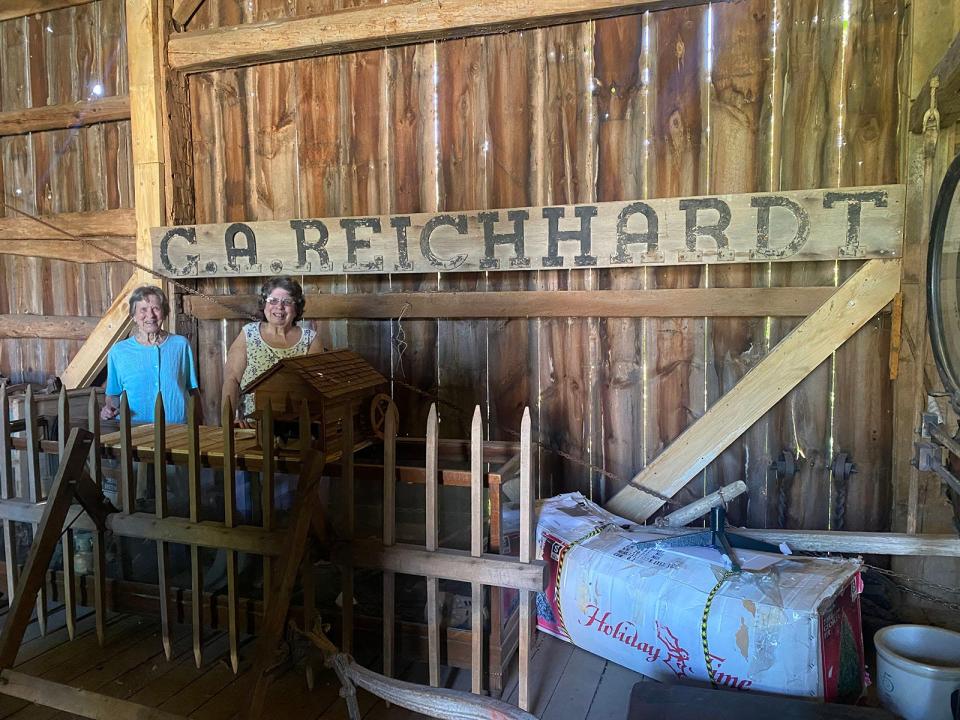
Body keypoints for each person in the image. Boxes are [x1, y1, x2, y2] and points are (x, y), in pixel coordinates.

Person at [222, 276, 323, 427]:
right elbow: (232, 380)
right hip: (252, 428)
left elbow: (317, 389)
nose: (279, 307)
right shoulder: (248, 334)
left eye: (287, 302)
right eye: (273, 301)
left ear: (297, 308)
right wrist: (228, 421)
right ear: (264, 304)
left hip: (298, 429)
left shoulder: (310, 340)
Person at [101, 285, 200, 424]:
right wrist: (109, 407)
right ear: (134, 316)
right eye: (143, 310)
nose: (150, 315)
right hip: (133, 432)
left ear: (164, 313)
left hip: (178, 431)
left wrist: (200, 426)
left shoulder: (181, 345)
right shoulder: (118, 351)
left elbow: (193, 391)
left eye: (156, 308)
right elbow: (113, 393)